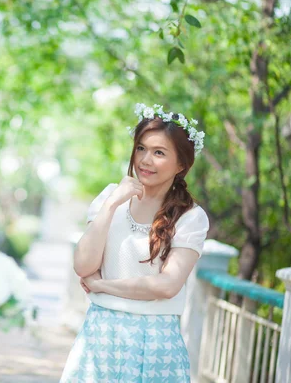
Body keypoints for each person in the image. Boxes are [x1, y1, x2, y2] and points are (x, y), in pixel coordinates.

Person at [60, 104, 208, 382]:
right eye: (141, 148)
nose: (145, 160)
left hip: (155, 343)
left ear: (180, 165)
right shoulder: (110, 198)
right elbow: (83, 264)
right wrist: (112, 203)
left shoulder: (191, 218)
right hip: (100, 335)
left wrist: (102, 285)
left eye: (159, 153)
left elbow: (166, 285)